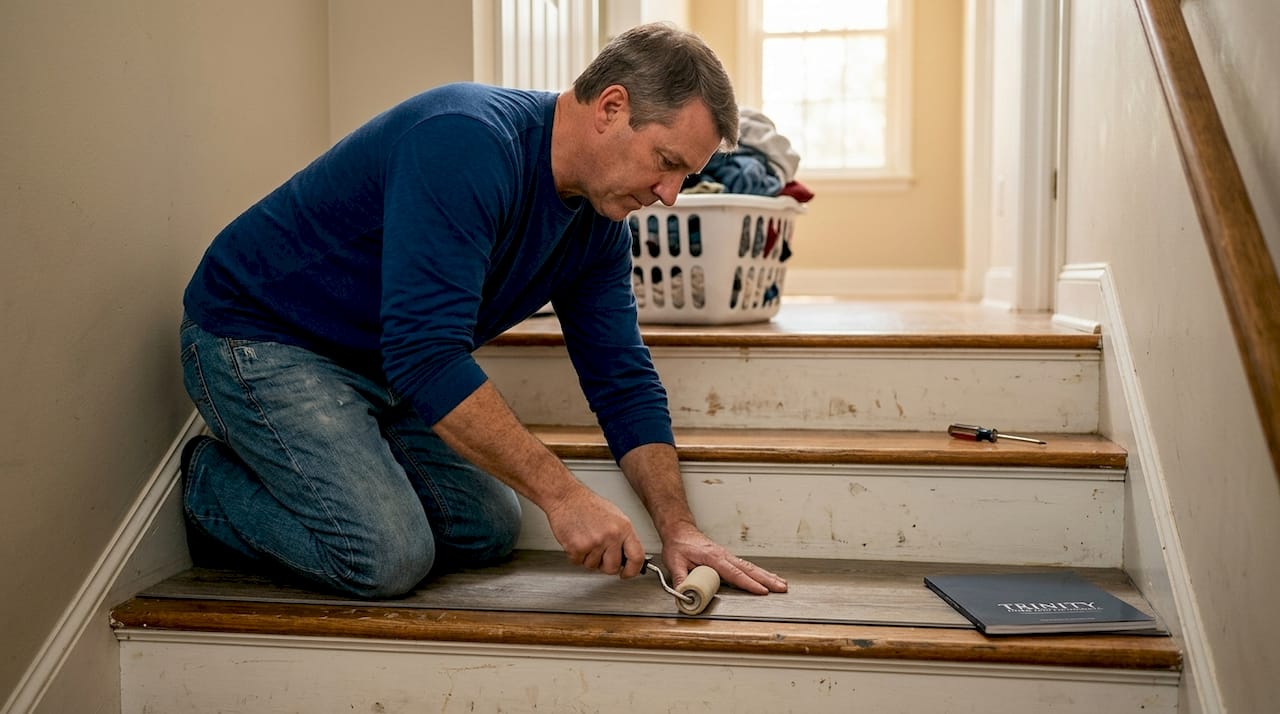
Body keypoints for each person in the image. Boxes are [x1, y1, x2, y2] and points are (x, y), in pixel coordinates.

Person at [178, 22, 788, 600]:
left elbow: (621, 378)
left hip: (373, 360)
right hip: (260, 336)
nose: (670, 195)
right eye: (667, 161)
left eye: (685, 175)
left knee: (488, 527)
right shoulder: (466, 142)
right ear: (611, 108)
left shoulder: (599, 228)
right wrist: (565, 496)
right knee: (387, 557)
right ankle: (208, 484)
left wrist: (679, 528)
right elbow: (426, 356)